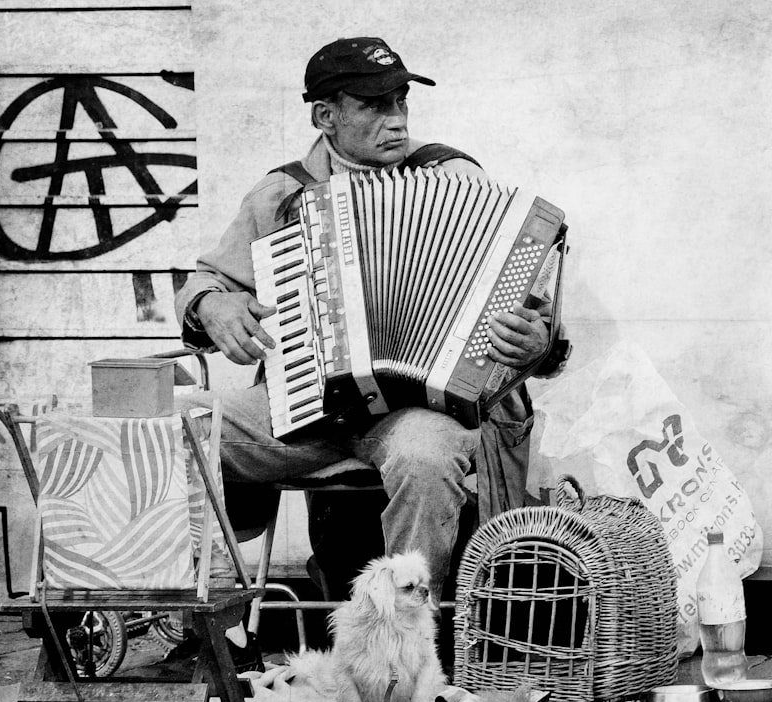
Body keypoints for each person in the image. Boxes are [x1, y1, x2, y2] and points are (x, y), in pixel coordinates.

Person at [174, 36, 558, 605]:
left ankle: (407, 643)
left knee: (425, 460)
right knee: (168, 429)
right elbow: (207, 282)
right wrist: (212, 305)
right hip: (310, 410)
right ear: (325, 116)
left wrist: (536, 342)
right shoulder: (282, 195)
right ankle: (208, 618)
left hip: (421, 412)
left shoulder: (456, 181)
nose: (397, 120)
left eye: (401, 102)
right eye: (376, 106)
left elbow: (540, 317)